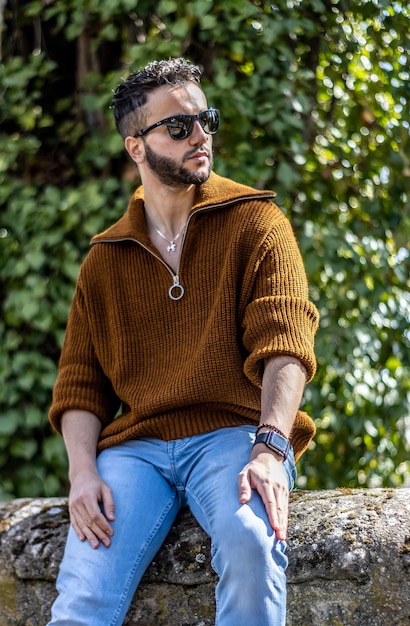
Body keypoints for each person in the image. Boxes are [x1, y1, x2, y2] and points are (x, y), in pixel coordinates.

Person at [47, 57, 319, 626]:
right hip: (136, 451)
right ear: (136, 147)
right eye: (179, 126)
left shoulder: (257, 222)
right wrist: (82, 473)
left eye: (205, 119)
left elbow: (286, 343)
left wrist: (271, 448)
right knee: (82, 595)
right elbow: (79, 386)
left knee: (252, 540)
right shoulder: (105, 259)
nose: (201, 135)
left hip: (234, 435)